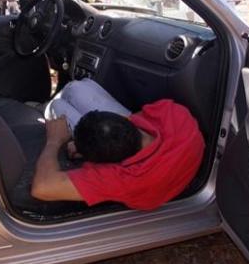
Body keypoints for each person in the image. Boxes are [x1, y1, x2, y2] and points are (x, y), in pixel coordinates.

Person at [31, 79, 205, 210]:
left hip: (152, 178)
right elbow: (137, 117)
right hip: (168, 158)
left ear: (104, 165)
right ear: (124, 120)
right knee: (75, 88)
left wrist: (54, 140)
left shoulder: (122, 180)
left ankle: (46, 107)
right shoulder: (175, 114)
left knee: (58, 105)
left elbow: (42, 187)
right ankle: (52, 107)